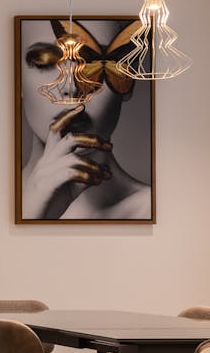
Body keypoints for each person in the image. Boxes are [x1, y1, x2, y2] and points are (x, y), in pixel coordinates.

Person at [20, 18, 151, 221]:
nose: (72, 87)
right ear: (16, 80)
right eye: (44, 61)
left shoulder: (156, 210)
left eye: (97, 64)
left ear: (129, 79)